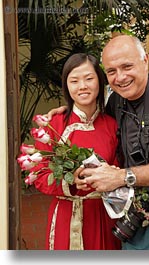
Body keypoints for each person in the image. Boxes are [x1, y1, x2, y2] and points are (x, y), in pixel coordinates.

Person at [47, 35, 149, 250]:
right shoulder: (117, 101)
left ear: (145, 60)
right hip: (131, 218)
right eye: (111, 71)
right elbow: (94, 119)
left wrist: (122, 176)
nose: (120, 77)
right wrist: (69, 112)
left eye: (127, 66)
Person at [33, 53, 121, 250]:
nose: (82, 86)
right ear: (67, 86)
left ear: (99, 80)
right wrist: (70, 182)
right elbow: (39, 175)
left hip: (104, 215)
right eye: (74, 81)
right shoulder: (54, 125)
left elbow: (120, 169)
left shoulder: (112, 124)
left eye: (89, 78)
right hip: (66, 215)